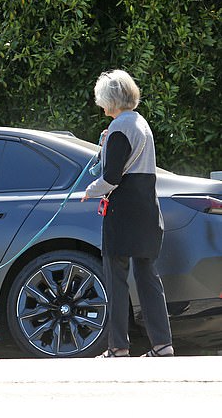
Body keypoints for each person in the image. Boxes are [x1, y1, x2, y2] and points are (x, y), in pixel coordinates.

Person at [82, 69, 174, 358]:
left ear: (109, 99)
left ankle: (118, 346)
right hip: (147, 207)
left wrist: (90, 191)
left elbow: (111, 178)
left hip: (123, 212)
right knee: (148, 277)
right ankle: (163, 344)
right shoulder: (140, 123)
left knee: (116, 279)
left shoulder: (120, 127)